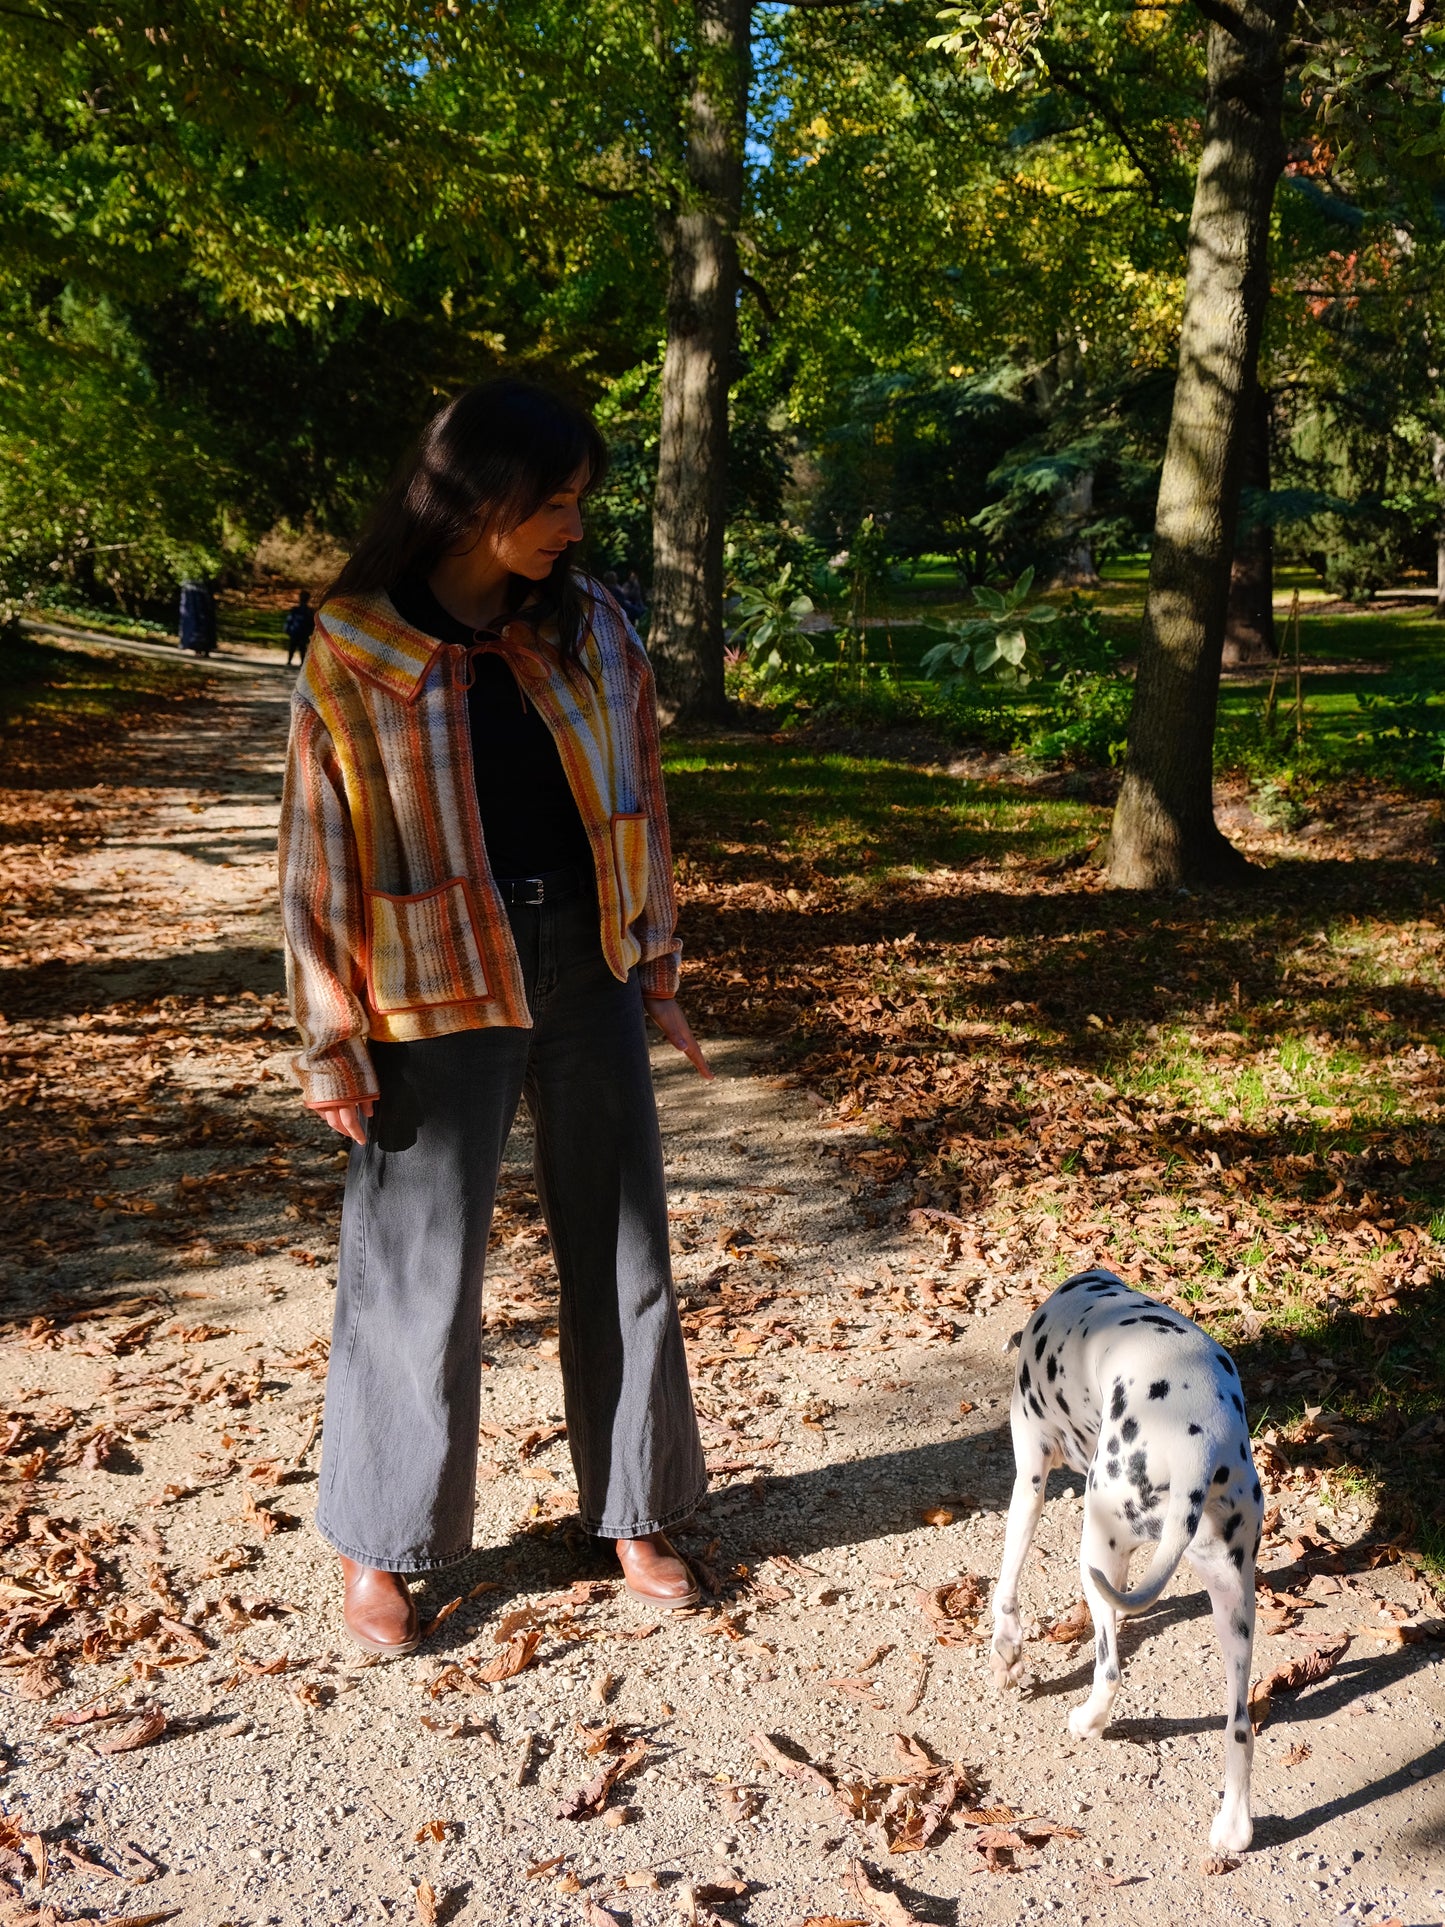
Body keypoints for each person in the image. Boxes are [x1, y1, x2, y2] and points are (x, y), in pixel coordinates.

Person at [278, 377, 713, 1657]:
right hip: (430, 974)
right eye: (555, 502)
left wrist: (655, 960)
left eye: (579, 501)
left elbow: (639, 785)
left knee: (623, 1243)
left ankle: (634, 1509)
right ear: (479, 498)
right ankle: (383, 1540)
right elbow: (316, 852)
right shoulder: (356, 645)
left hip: (585, 961)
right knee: (416, 1267)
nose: (574, 526)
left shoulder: (588, 621)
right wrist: (331, 1037)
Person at [178, 578, 217, 656]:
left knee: (202, 623)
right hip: (197, 593)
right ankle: (200, 648)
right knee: (199, 622)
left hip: (198, 593)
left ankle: (203, 648)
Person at [283, 588, 315, 667]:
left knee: (298, 647)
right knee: (299, 647)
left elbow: (289, 620)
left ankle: (293, 661)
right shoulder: (306, 611)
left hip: (298, 631)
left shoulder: (301, 610)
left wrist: (287, 628)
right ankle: (296, 661)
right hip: (299, 632)